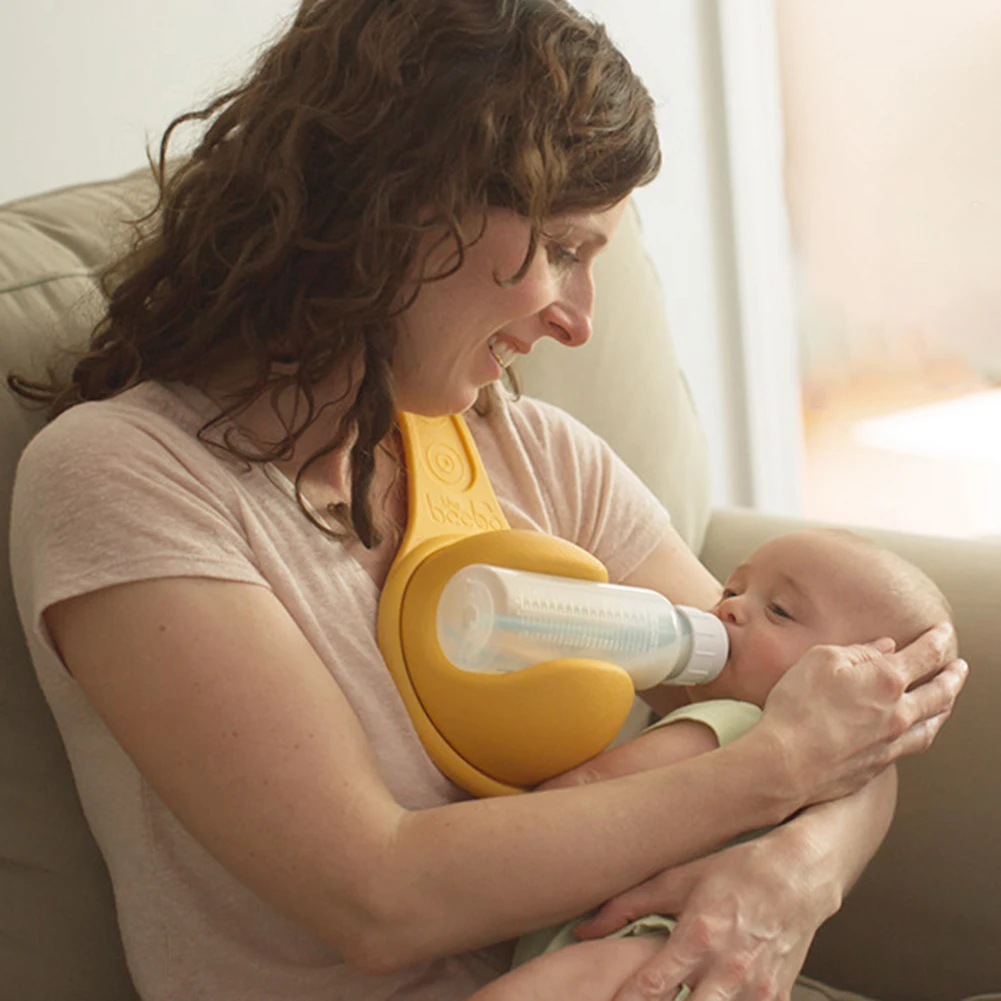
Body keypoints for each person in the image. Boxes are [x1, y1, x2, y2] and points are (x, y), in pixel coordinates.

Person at [6, 2, 965, 1000]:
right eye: (559, 248)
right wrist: (775, 773)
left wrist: (792, 876)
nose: (581, 321)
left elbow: (814, 707)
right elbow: (381, 895)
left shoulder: (534, 452)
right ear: (398, 207)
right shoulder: (127, 477)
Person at [499, 528, 954, 998]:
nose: (729, 608)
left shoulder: (727, 724)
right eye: (731, 590)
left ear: (859, 677)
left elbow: (586, 788)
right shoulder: (834, 776)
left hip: (639, 949)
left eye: (779, 610)